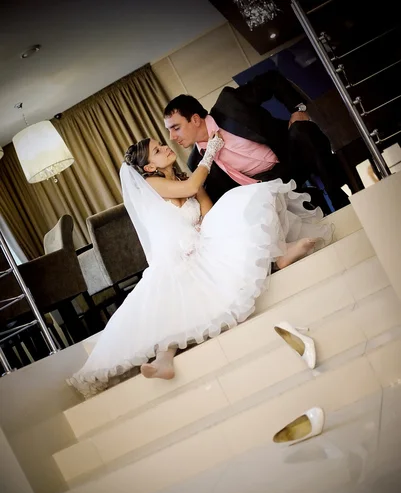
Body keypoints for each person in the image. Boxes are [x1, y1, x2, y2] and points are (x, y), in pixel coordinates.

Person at [68, 134, 331, 399]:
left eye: (162, 145)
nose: (165, 148)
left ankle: (280, 255)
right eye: (158, 151)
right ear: (149, 168)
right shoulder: (152, 184)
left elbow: (206, 208)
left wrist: (202, 231)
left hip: (199, 246)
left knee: (241, 204)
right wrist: (209, 156)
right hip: (173, 260)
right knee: (170, 295)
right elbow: (192, 187)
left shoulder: (185, 180)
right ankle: (163, 361)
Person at [163, 70, 350, 213]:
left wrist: (297, 109)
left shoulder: (230, 103)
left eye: (176, 127)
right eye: (169, 131)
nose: (172, 137)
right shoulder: (196, 163)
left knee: (303, 130)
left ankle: (340, 197)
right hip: (269, 191)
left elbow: (271, 79)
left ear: (195, 119)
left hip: (290, 155)